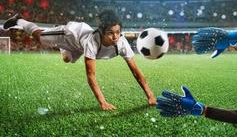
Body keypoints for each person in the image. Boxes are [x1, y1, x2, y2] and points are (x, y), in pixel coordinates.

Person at [3, 10, 157, 110]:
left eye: (118, 32)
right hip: (70, 35)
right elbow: (91, 75)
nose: (115, 36)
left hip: (78, 46)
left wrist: (150, 95)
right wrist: (102, 102)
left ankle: (64, 49)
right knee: (39, 37)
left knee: (66, 59)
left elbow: (136, 72)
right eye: (110, 33)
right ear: (101, 32)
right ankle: (20, 21)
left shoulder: (122, 44)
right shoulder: (92, 41)